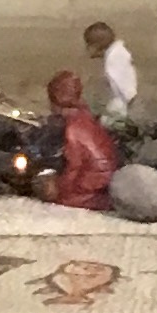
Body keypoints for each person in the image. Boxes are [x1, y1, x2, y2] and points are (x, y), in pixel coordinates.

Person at [40, 67, 118, 210]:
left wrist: (60, 187)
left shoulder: (73, 128)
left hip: (92, 183)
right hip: (104, 178)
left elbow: (75, 166)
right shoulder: (85, 117)